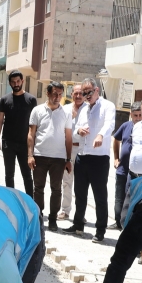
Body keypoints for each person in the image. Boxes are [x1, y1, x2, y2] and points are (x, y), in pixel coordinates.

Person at [61, 78, 116, 243]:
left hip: (99, 158)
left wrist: (100, 135)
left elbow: (109, 124)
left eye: (89, 93)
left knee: (100, 196)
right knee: (80, 194)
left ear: (97, 90)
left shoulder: (107, 106)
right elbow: (75, 131)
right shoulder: (84, 109)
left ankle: (100, 230)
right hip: (82, 156)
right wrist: (79, 131)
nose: (86, 96)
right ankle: (78, 225)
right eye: (84, 94)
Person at [28, 82, 73, 232]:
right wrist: (30, 155)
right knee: (38, 188)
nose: (57, 97)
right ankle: (39, 217)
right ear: (47, 93)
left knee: (56, 189)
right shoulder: (37, 110)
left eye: (60, 94)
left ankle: (53, 219)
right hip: (39, 156)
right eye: (54, 94)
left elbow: (68, 138)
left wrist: (68, 159)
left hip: (58, 158)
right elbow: (31, 135)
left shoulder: (66, 113)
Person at [0, 71, 37, 195]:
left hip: (25, 143)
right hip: (8, 142)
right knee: (9, 174)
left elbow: (35, 123)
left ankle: (30, 201)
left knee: (27, 174)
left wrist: (34, 143)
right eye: (13, 82)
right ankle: (11, 200)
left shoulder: (31, 100)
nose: (16, 84)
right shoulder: (4, 99)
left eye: (18, 81)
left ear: (22, 81)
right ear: (10, 83)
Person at [109, 102, 142, 230]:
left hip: (137, 172)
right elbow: (116, 140)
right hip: (122, 169)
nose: (138, 118)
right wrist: (116, 158)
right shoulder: (125, 126)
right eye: (135, 115)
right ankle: (118, 222)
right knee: (119, 197)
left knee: (134, 199)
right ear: (131, 114)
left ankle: (130, 224)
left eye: (140, 115)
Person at [59, 84, 85, 220]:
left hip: (83, 151)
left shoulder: (89, 109)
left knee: (82, 184)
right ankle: (65, 210)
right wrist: (71, 118)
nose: (78, 96)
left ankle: (80, 214)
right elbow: (60, 128)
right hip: (68, 149)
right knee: (67, 181)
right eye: (76, 93)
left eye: (81, 93)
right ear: (71, 94)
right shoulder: (65, 109)